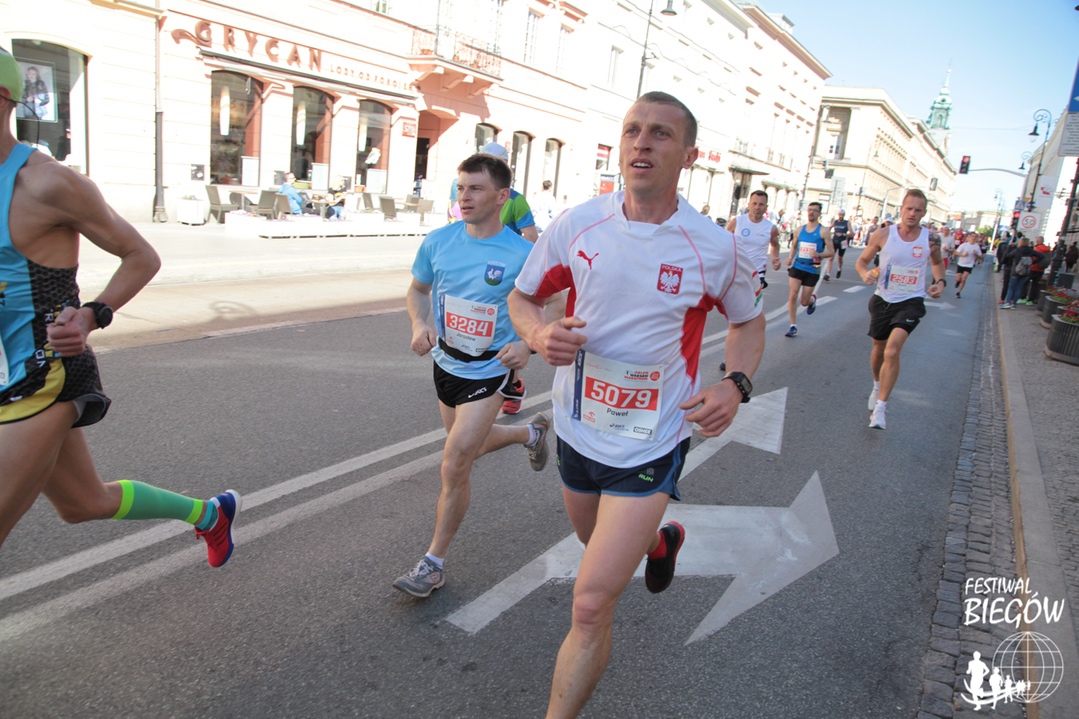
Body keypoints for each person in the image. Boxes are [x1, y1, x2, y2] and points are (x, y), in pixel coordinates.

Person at [508, 91, 765, 719]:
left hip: (652, 440)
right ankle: (657, 543)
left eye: (659, 133)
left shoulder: (714, 247)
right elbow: (523, 298)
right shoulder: (578, 224)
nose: (641, 142)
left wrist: (735, 384)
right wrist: (538, 334)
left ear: (689, 156)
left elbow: (748, 321)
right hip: (577, 427)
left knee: (591, 602)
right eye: (632, 130)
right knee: (595, 540)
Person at [0, 49, 241, 565]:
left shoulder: (46, 184)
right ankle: (209, 514)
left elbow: (141, 255)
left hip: (40, 373)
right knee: (82, 503)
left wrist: (90, 315)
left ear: (3, 99)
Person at [395, 152, 550, 598]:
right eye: (461, 188)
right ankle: (530, 434)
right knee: (471, 446)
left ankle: (433, 563)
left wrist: (528, 343)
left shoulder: (524, 255)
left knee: (455, 461)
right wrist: (419, 324)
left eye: (476, 188)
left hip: (491, 368)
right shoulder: (439, 241)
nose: (464, 197)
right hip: (446, 363)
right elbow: (417, 290)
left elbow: (554, 304)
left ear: (502, 196)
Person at [855, 189, 945, 430]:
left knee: (892, 350)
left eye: (918, 210)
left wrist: (939, 283)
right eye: (909, 208)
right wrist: (864, 274)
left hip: (911, 301)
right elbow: (862, 261)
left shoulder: (931, 239)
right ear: (901, 209)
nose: (912, 213)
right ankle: (877, 385)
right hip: (883, 299)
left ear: (924, 213)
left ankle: (881, 409)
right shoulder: (883, 234)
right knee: (879, 349)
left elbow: (937, 263)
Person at [477, 141, 540, 414]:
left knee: (506, 327)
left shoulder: (515, 200)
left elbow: (531, 236)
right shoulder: (472, 193)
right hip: (476, 269)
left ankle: (513, 384)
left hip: (504, 273)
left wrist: (511, 256)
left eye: (494, 162)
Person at [783, 201, 833, 337]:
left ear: (819, 213)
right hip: (798, 265)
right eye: (809, 210)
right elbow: (794, 246)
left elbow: (831, 252)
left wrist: (819, 255)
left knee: (804, 302)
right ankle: (793, 325)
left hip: (812, 268)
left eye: (815, 210)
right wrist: (790, 257)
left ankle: (812, 300)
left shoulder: (823, 231)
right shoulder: (799, 230)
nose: (811, 212)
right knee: (793, 295)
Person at [727, 190, 781, 289]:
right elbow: (724, 241)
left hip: (757, 271)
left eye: (761, 204)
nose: (757, 207)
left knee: (752, 298)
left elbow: (775, 245)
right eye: (754, 203)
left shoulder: (770, 228)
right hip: (737, 269)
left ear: (766, 207)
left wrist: (775, 258)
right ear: (749, 205)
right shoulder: (737, 222)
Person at [1000, 237, 1044, 309]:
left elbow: (1008, 256)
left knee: (1011, 288)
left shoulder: (1018, 250)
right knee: (1018, 288)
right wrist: (1032, 262)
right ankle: (1014, 304)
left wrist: (1010, 246)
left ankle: (1008, 303)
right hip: (1025, 272)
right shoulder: (1031, 251)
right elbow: (1041, 256)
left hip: (1016, 271)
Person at [1022, 236, 1051, 305]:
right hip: (1041, 269)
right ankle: (1030, 300)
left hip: (1033, 268)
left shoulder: (1037, 248)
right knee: (1035, 285)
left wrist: (1032, 262)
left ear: (1038, 241)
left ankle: (1023, 298)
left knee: (1025, 283)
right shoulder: (1047, 249)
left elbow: (1032, 257)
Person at [822, 208, 850, 280]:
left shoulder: (847, 222)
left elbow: (852, 233)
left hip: (843, 242)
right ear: (838, 215)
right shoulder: (835, 222)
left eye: (842, 215)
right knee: (831, 257)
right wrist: (825, 234)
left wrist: (843, 234)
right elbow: (829, 229)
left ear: (844, 215)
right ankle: (828, 274)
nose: (841, 216)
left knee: (840, 258)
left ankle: (839, 269)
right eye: (840, 214)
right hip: (835, 241)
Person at [953, 233, 982, 298]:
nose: (973, 238)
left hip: (969, 265)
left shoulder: (977, 247)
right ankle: (958, 282)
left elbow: (980, 257)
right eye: (972, 236)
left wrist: (976, 254)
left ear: (976, 238)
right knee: (958, 279)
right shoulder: (964, 245)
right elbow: (956, 252)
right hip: (961, 263)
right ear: (969, 237)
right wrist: (963, 255)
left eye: (975, 236)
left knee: (963, 279)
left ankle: (958, 292)